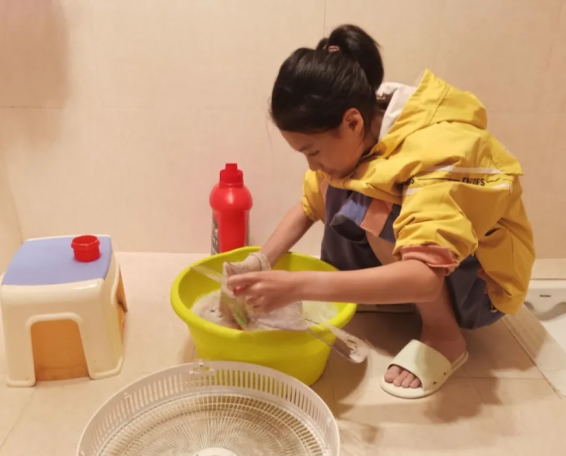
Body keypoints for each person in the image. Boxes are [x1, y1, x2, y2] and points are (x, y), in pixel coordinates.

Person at [226, 25, 535, 399]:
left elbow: (425, 277)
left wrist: (297, 286)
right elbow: (309, 206)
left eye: (312, 151)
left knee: (367, 204)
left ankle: (444, 336)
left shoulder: (440, 147)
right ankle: (397, 296)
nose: (311, 164)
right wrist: (259, 262)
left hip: (482, 286)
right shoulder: (363, 126)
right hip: (430, 267)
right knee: (337, 186)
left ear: (353, 122)